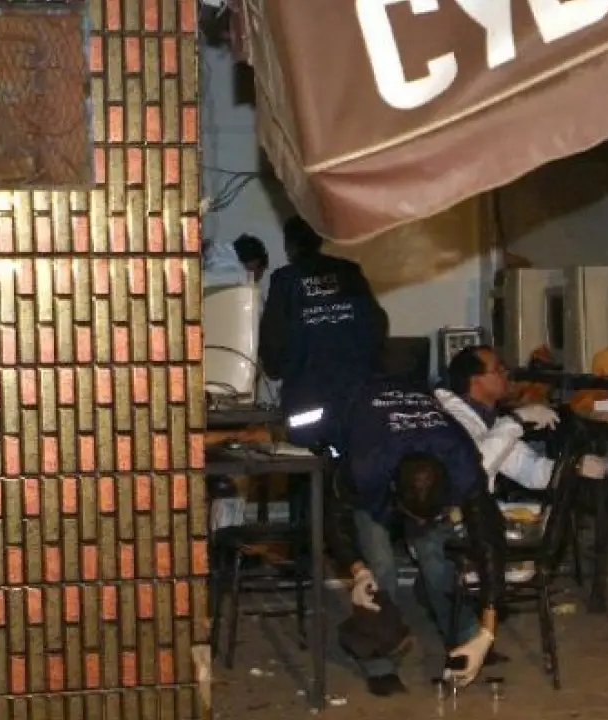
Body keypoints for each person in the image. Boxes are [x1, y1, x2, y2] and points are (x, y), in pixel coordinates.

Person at [326, 375, 520, 695]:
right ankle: (378, 659)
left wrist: (487, 631)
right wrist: (357, 570)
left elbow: (490, 544)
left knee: (438, 559)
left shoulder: (463, 463)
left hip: (422, 446)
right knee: (379, 566)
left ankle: (466, 638)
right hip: (368, 422)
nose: (417, 526)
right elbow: (335, 520)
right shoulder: (365, 468)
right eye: (414, 518)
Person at [258, 216, 387, 446]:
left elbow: (273, 337)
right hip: (357, 395)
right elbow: (376, 323)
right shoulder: (349, 272)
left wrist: (276, 368)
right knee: (353, 450)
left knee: (306, 453)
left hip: (307, 397)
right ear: (320, 240)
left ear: (289, 245)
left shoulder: (285, 280)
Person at [435, 345, 608, 493]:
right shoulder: (452, 420)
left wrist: (574, 468)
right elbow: (477, 469)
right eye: (498, 370)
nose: (506, 374)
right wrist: (517, 419)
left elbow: (529, 470)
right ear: (476, 381)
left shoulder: (486, 419)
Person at [202, 233, 270, 288]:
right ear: (255, 262)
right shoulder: (242, 277)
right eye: (261, 272)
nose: (260, 278)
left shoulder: (218, 251)